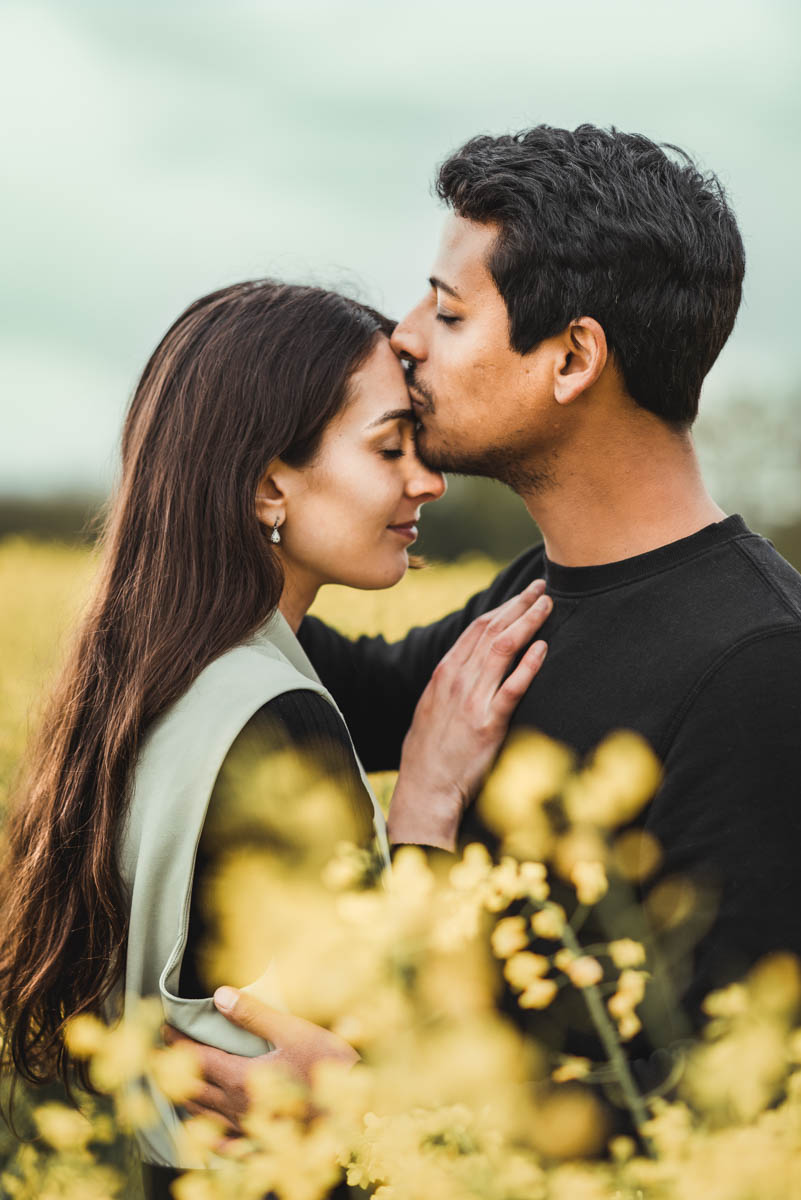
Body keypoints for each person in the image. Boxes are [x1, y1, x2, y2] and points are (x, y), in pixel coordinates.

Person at [182, 125, 801, 1130]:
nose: (408, 336)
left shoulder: (760, 669)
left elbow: (730, 1108)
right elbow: (327, 674)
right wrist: (240, 470)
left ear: (573, 358)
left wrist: (365, 1111)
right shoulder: (540, 597)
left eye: (451, 310)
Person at [0, 281, 554, 1194]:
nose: (428, 481)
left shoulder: (157, 669)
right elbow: (375, 1055)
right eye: (390, 447)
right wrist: (423, 804)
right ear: (268, 484)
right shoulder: (275, 721)